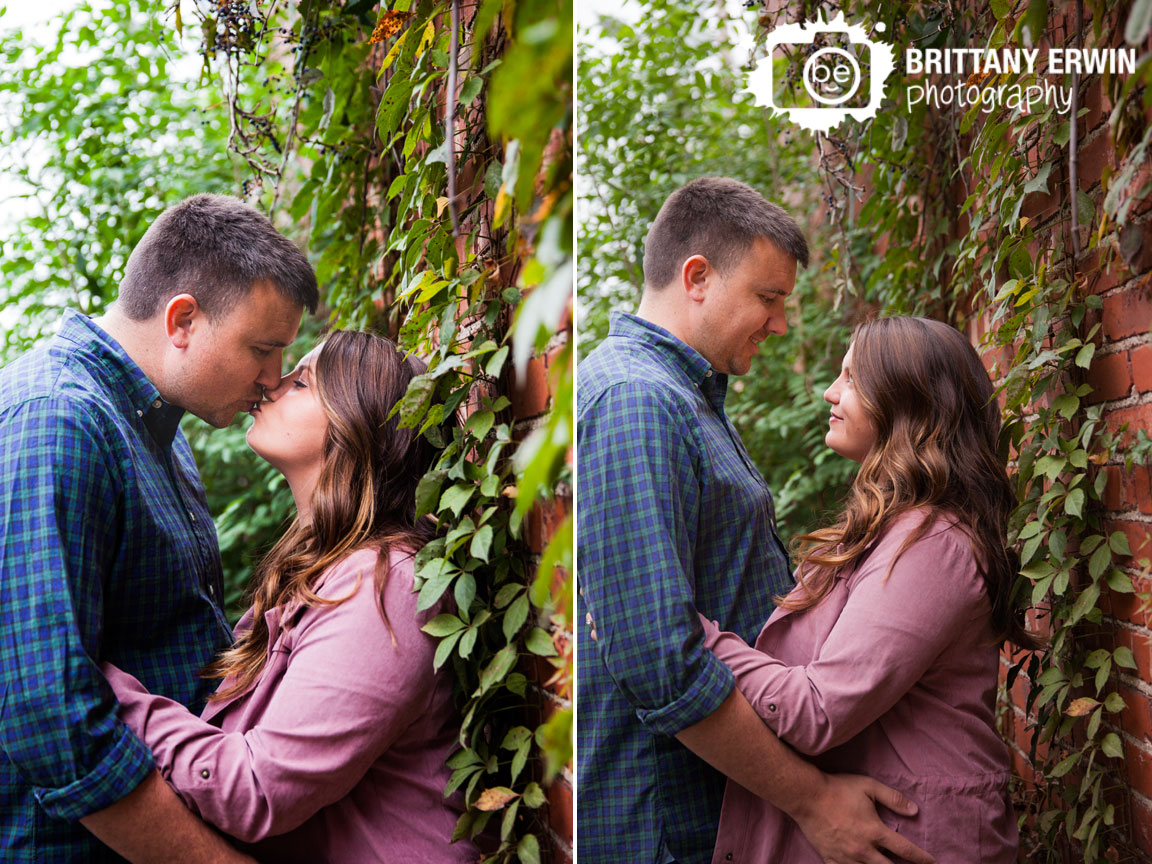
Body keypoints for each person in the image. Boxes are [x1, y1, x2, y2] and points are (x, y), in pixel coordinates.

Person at [577, 177, 934, 864]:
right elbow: (658, 661)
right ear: (698, 278)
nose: (779, 323)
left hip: (719, 812)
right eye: (768, 299)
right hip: (668, 825)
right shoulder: (635, 401)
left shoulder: (687, 397)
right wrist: (811, 800)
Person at [0, 193, 317, 863]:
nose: (271, 379)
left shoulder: (159, 426)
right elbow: (47, 718)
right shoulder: (58, 421)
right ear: (182, 320)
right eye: (262, 350)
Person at [101, 330, 475, 863]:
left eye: (302, 381)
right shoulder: (320, 573)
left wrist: (93, 683)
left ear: (355, 422)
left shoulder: (383, 585)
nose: (272, 385)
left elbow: (252, 788)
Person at [702, 316, 1026, 863]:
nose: (830, 391)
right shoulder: (896, 529)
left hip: (922, 836)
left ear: (909, 401)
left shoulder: (933, 545)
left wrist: (688, 636)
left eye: (851, 378)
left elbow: (817, 710)